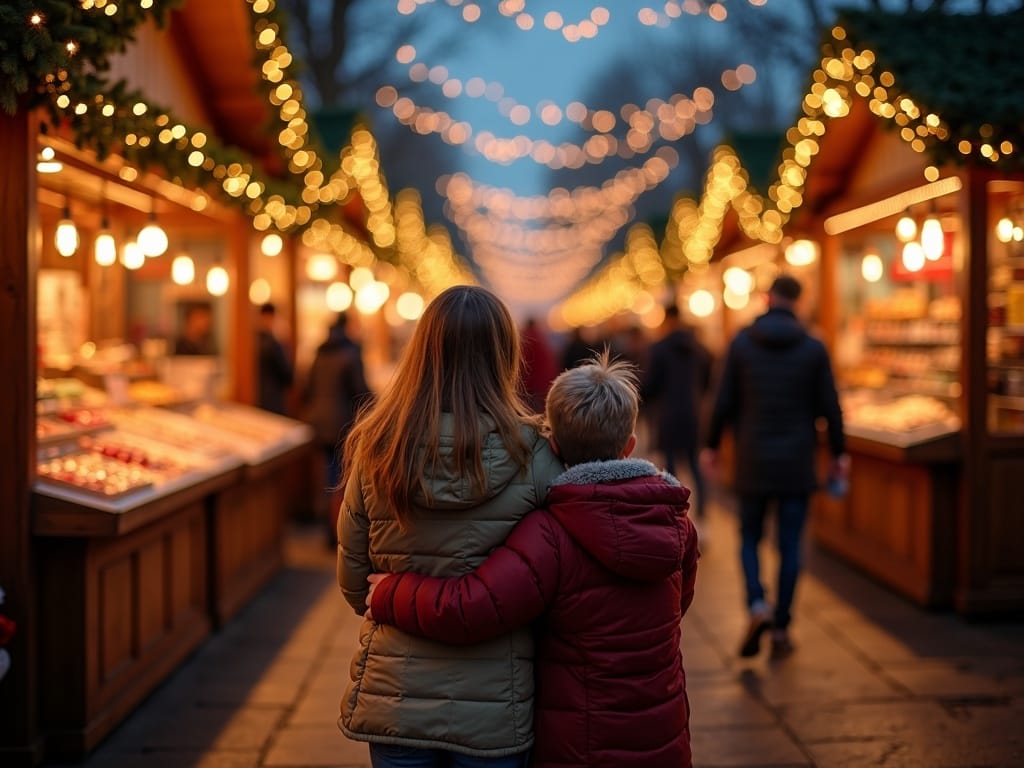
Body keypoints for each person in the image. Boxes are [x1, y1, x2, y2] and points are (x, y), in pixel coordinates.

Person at [366, 351, 699, 768]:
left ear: (553, 443)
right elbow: (678, 606)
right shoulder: (677, 524)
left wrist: (391, 592)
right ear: (630, 445)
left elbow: (474, 606)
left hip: (581, 740)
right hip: (662, 733)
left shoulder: (552, 533)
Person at [336, 285, 565, 767]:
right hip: (497, 704)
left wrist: (400, 595)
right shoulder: (536, 455)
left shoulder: (376, 448)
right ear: (504, 356)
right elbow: (555, 583)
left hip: (397, 697)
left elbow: (357, 585)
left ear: (422, 351)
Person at [701, 274, 847, 660]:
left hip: (753, 458)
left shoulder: (742, 344)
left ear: (767, 298)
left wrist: (712, 445)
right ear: (798, 301)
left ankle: (756, 604)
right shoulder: (814, 347)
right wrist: (839, 453)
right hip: (797, 460)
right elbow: (830, 407)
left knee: (748, 536)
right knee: (790, 545)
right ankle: (782, 626)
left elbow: (723, 401)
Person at [642, 304, 713, 520]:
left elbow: (651, 385)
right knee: (694, 465)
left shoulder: (659, 349)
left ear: (667, 320)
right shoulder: (700, 349)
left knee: (670, 467)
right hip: (693, 414)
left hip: (668, 415)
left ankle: (674, 512)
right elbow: (707, 380)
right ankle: (702, 512)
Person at [302, 312, 372, 497]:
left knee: (329, 471)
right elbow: (361, 392)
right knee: (343, 475)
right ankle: (338, 518)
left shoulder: (320, 353)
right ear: (347, 327)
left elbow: (307, 388)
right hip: (342, 424)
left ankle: (327, 516)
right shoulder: (350, 353)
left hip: (318, 421)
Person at [255, 303, 294, 415]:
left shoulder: (254, 341)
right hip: (272, 399)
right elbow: (287, 374)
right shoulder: (272, 343)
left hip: (259, 398)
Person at [518, 315, 558, 413]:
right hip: (542, 382)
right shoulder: (541, 338)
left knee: (528, 411)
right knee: (539, 412)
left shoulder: (523, 339)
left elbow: (521, 365)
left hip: (529, 385)